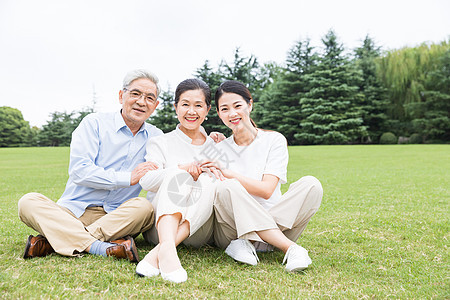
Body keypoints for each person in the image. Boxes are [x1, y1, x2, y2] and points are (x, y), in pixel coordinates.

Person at [18, 69, 164, 262]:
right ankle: (99, 247)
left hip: (117, 217)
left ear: (155, 105)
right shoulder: (94, 123)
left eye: (149, 97)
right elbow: (80, 171)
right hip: (72, 212)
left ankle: (52, 242)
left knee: (144, 208)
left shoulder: (157, 137)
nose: (141, 101)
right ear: (121, 95)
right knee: (28, 202)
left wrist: (212, 140)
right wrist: (128, 178)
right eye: (135, 94)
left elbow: (173, 164)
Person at [202, 80, 323, 272]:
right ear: (218, 114)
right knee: (226, 187)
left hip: (275, 221)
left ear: (250, 105)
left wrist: (229, 173)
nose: (232, 114)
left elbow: (267, 190)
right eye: (224, 109)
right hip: (234, 232)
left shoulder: (273, 140)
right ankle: (288, 248)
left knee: (311, 184)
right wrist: (207, 141)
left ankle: (257, 242)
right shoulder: (218, 149)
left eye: (238, 106)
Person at [136, 78, 220, 283]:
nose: (191, 111)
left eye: (198, 105)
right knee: (179, 174)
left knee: (209, 180)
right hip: (159, 228)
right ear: (175, 107)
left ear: (207, 110)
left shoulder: (217, 146)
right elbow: (146, 181)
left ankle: (159, 253)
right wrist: (181, 169)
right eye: (185, 104)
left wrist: (199, 173)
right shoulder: (160, 142)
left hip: (198, 230)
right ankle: (167, 249)